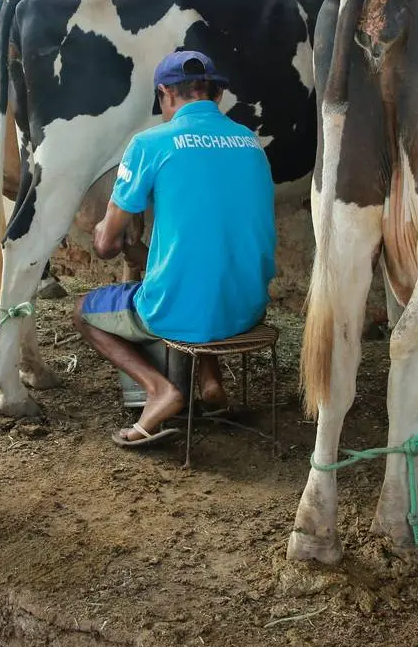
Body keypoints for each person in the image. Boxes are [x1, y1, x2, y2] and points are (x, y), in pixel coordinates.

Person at [73, 50, 277, 449]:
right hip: (248, 309)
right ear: (217, 96)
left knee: (83, 313)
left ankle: (158, 390)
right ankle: (212, 383)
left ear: (165, 94)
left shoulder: (150, 143)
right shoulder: (250, 142)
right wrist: (145, 254)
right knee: (202, 276)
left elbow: (103, 246)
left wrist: (104, 229)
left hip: (181, 313)